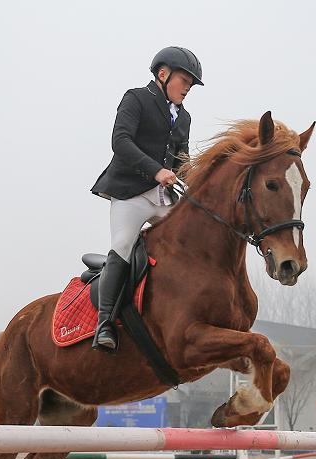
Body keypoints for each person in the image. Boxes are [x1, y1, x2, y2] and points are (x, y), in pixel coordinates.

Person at [89, 46, 203, 351]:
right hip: (130, 193)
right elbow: (120, 142)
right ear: (163, 75)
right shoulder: (136, 98)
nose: (188, 88)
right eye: (185, 81)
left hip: (163, 197)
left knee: (193, 240)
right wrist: (155, 171)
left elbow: (181, 160)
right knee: (124, 244)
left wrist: (201, 181)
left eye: (191, 84)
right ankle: (105, 324)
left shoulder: (184, 117)